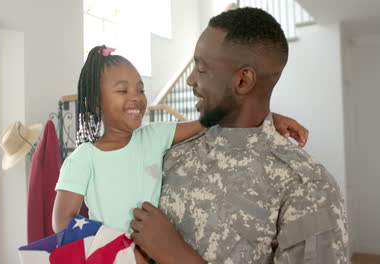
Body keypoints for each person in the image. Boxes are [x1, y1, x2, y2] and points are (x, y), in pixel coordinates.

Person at [129, 7, 348, 264]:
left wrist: (177, 256)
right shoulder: (169, 151)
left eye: (201, 69)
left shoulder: (307, 186)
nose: (189, 80)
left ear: (243, 81)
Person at [52, 45, 308, 261]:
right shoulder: (84, 158)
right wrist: (122, 252)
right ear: (96, 103)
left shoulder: (154, 136)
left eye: (140, 90)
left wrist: (268, 118)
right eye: (123, 91)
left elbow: (211, 122)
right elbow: (62, 221)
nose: (137, 98)